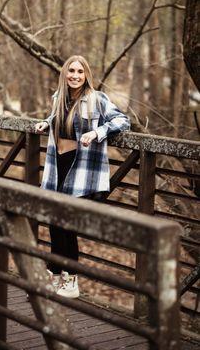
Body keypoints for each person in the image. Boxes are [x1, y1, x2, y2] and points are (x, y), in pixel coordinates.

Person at [35, 55, 130, 298]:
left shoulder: (97, 100)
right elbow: (62, 120)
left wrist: (98, 132)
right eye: (71, 71)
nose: (75, 75)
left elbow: (122, 120)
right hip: (57, 166)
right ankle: (53, 277)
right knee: (54, 223)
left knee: (67, 224)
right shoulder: (59, 98)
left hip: (81, 170)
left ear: (86, 74)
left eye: (80, 71)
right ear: (64, 73)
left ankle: (71, 281)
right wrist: (46, 123)